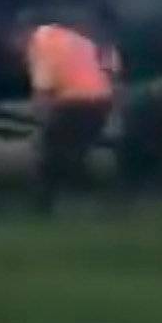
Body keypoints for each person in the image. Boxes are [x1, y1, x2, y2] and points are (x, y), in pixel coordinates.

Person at [20, 11, 118, 213]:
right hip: (100, 101)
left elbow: (43, 83)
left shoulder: (41, 40)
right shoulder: (72, 37)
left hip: (74, 101)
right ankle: (104, 201)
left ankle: (41, 209)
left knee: (47, 155)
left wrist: (41, 116)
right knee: (74, 152)